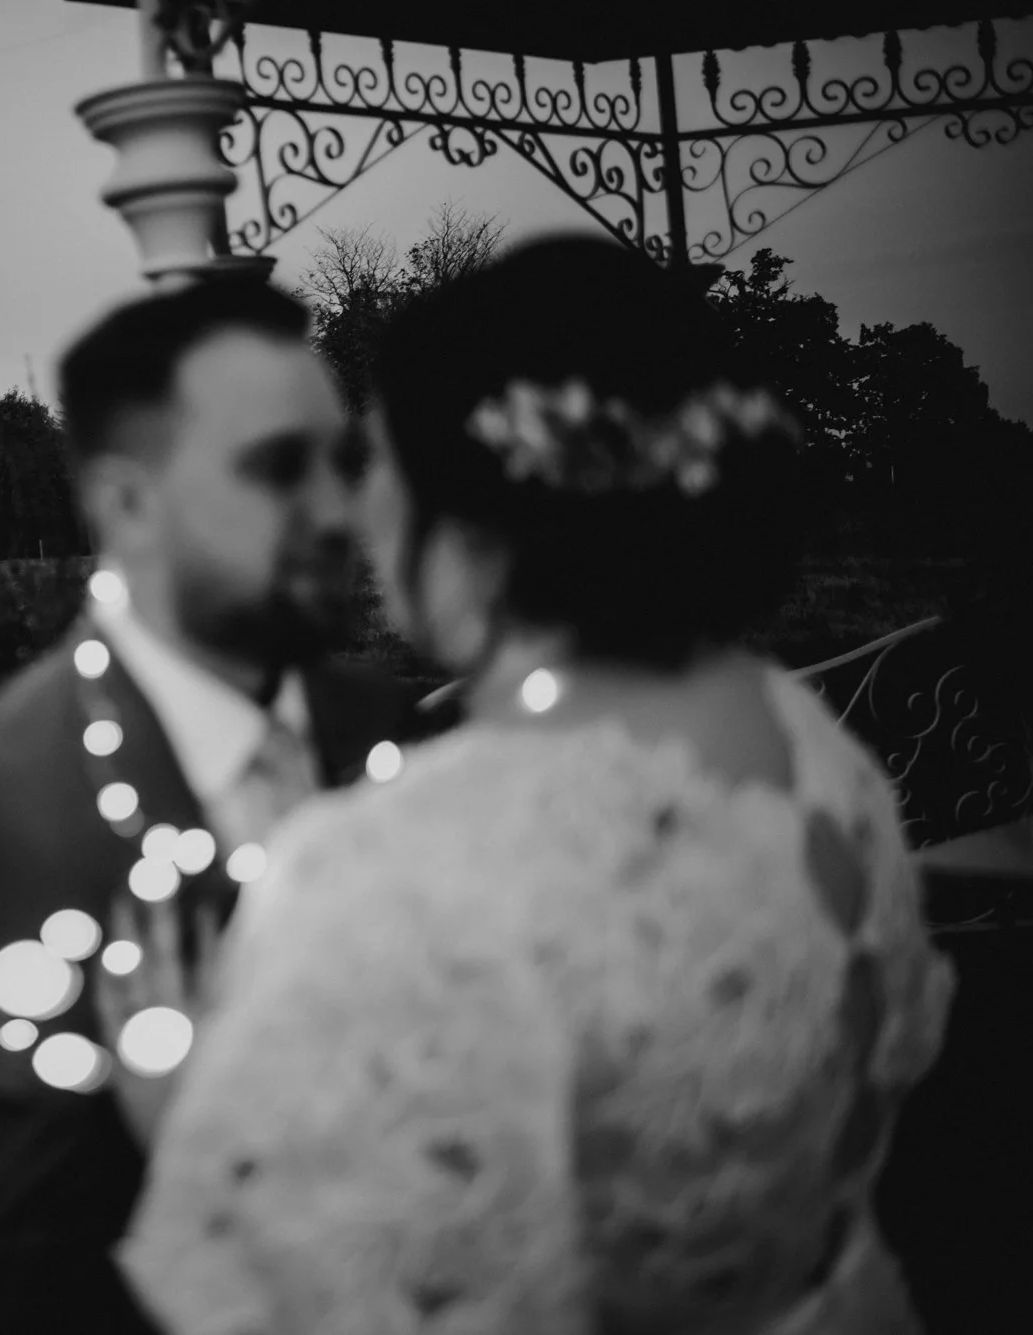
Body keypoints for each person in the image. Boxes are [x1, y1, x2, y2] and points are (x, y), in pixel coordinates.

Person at [113, 236, 957, 1335]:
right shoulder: (807, 746)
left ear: (474, 532)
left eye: (375, 463)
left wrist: (198, 1128)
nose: (353, 513)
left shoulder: (392, 860)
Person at [0, 278, 442, 1334]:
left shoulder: (410, 741)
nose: (336, 513)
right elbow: (13, 1286)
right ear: (126, 505)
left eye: (340, 463)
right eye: (276, 470)